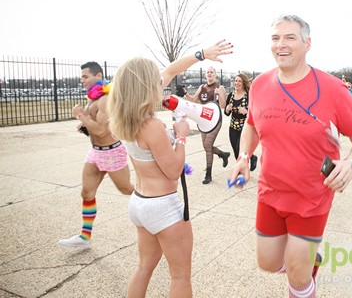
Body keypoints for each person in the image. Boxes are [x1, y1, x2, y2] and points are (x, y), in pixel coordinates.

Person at [229, 15, 352, 298]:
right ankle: (309, 259)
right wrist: (244, 156)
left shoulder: (332, 89)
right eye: (275, 38)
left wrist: (351, 164)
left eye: (290, 38)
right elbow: (252, 125)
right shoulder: (259, 85)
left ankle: (304, 274)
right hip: (270, 192)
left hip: (312, 197)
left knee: (297, 276)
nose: (281, 44)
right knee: (268, 263)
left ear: (307, 44)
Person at [107, 41, 233, 297]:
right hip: (163, 206)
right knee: (180, 276)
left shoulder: (128, 118)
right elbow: (174, 170)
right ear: (144, 87)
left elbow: (171, 70)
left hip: (141, 203)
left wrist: (201, 55)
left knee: (144, 267)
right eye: (155, 81)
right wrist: (183, 136)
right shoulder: (150, 125)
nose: (161, 82)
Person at [58, 61, 134, 248]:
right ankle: (85, 236)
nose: (81, 79)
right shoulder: (93, 97)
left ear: (98, 76)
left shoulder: (105, 99)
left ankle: (157, 204)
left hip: (112, 153)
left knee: (127, 190)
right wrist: (85, 125)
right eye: (81, 76)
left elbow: (101, 130)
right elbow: (95, 127)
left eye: (85, 76)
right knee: (86, 192)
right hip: (95, 153)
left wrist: (80, 116)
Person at [185, 66, 230, 184]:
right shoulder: (202, 87)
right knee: (206, 147)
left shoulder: (220, 87)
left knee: (208, 144)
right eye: (208, 72)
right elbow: (194, 101)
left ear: (215, 75)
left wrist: (219, 94)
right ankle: (223, 154)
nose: (209, 74)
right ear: (206, 75)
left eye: (212, 72)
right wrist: (185, 93)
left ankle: (208, 174)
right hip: (203, 119)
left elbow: (223, 106)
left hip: (215, 120)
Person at [224, 73, 258, 171]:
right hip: (233, 126)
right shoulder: (231, 95)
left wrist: (247, 111)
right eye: (236, 81)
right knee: (235, 149)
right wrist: (227, 109)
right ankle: (252, 157)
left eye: (239, 81)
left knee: (240, 149)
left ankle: (242, 169)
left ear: (243, 83)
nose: (237, 83)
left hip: (245, 127)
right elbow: (226, 113)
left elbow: (256, 111)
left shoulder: (249, 96)